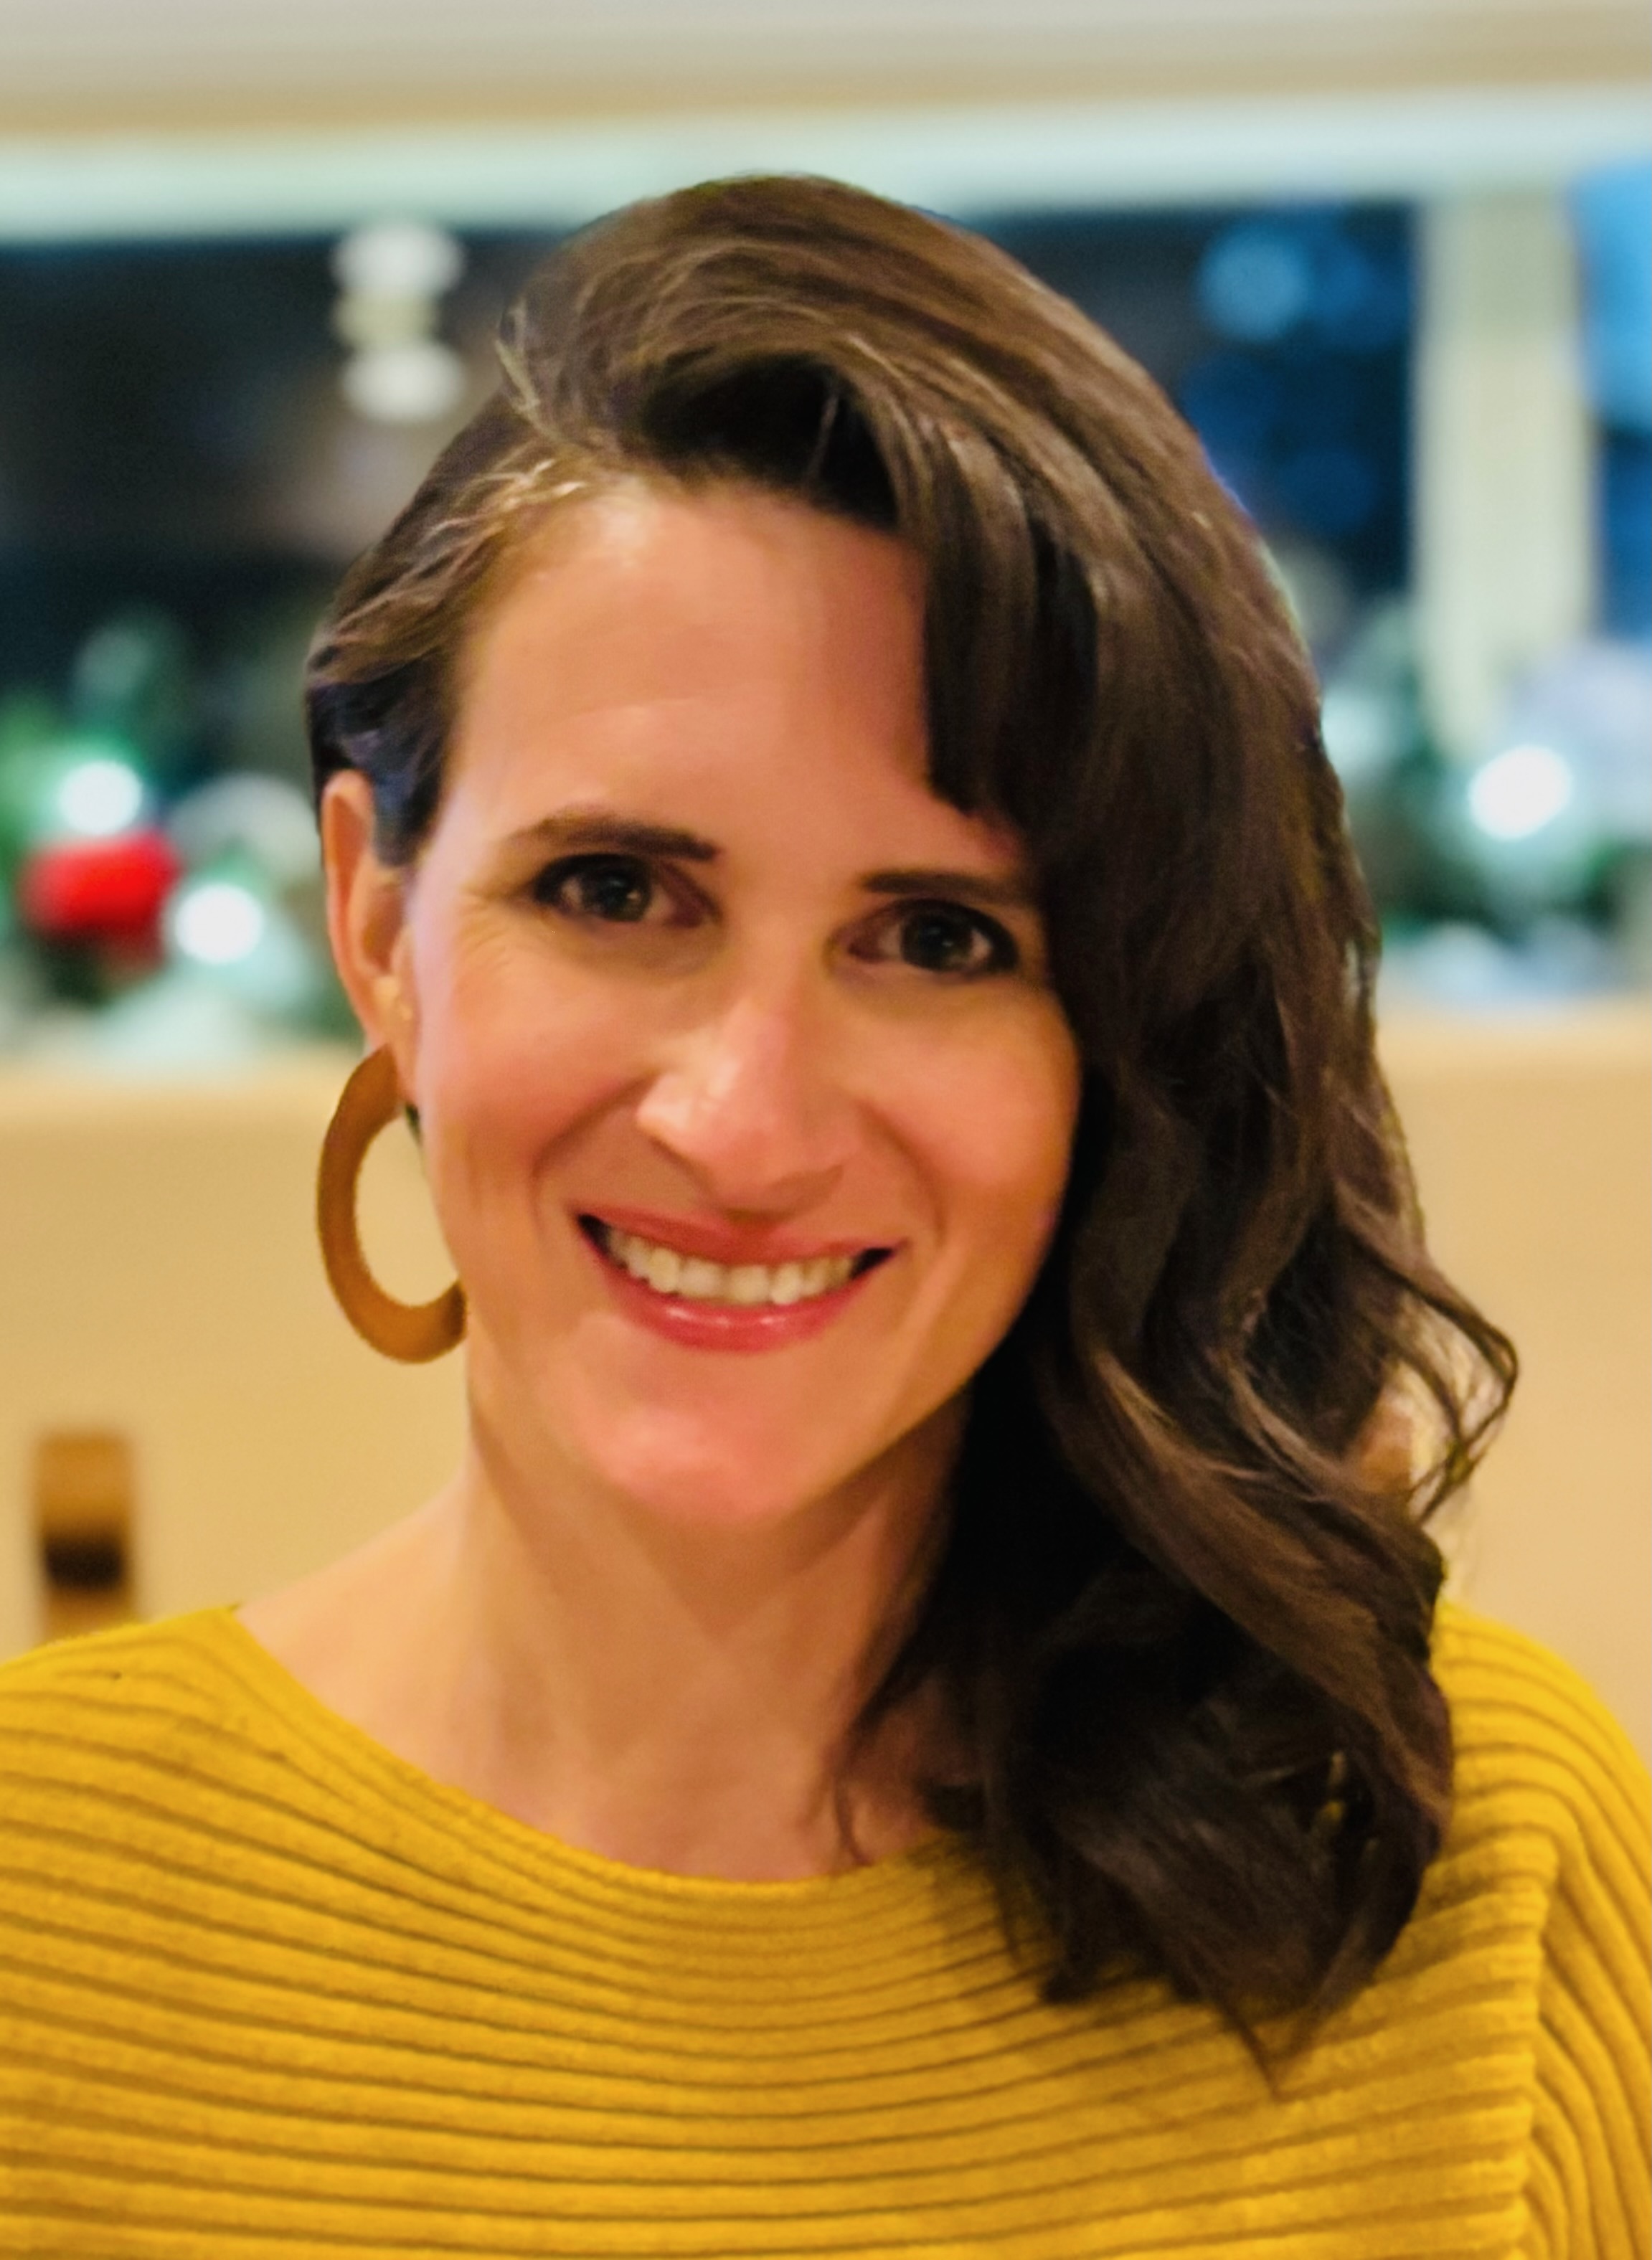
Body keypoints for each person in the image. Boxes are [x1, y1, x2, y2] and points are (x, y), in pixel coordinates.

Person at [1, 175, 1646, 2258]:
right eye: (616, 893)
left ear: (1114, 1037)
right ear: (379, 920)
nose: (745, 1122)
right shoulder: (36, 1908)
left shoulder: (1465, 1870)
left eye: (941, 937)